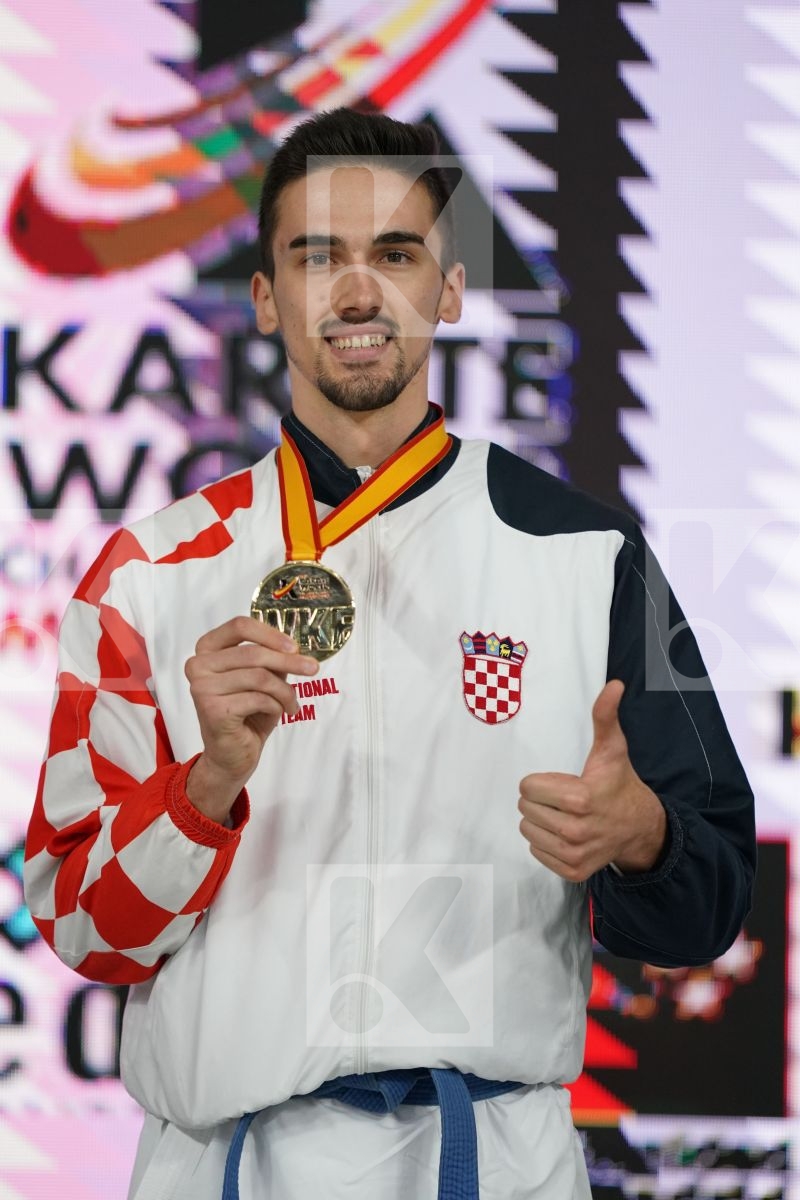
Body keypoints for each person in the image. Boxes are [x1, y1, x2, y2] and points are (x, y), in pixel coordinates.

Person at [24, 108, 756, 1200]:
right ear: (265, 296)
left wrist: (641, 840)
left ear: (448, 291)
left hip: (492, 1164)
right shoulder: (152, 571)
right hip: (228, 1165)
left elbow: (713, 899)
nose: (357, 293)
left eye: (396, 254)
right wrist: (204, 784)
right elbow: (80, 926)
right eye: (316, 255)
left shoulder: (583, 552)